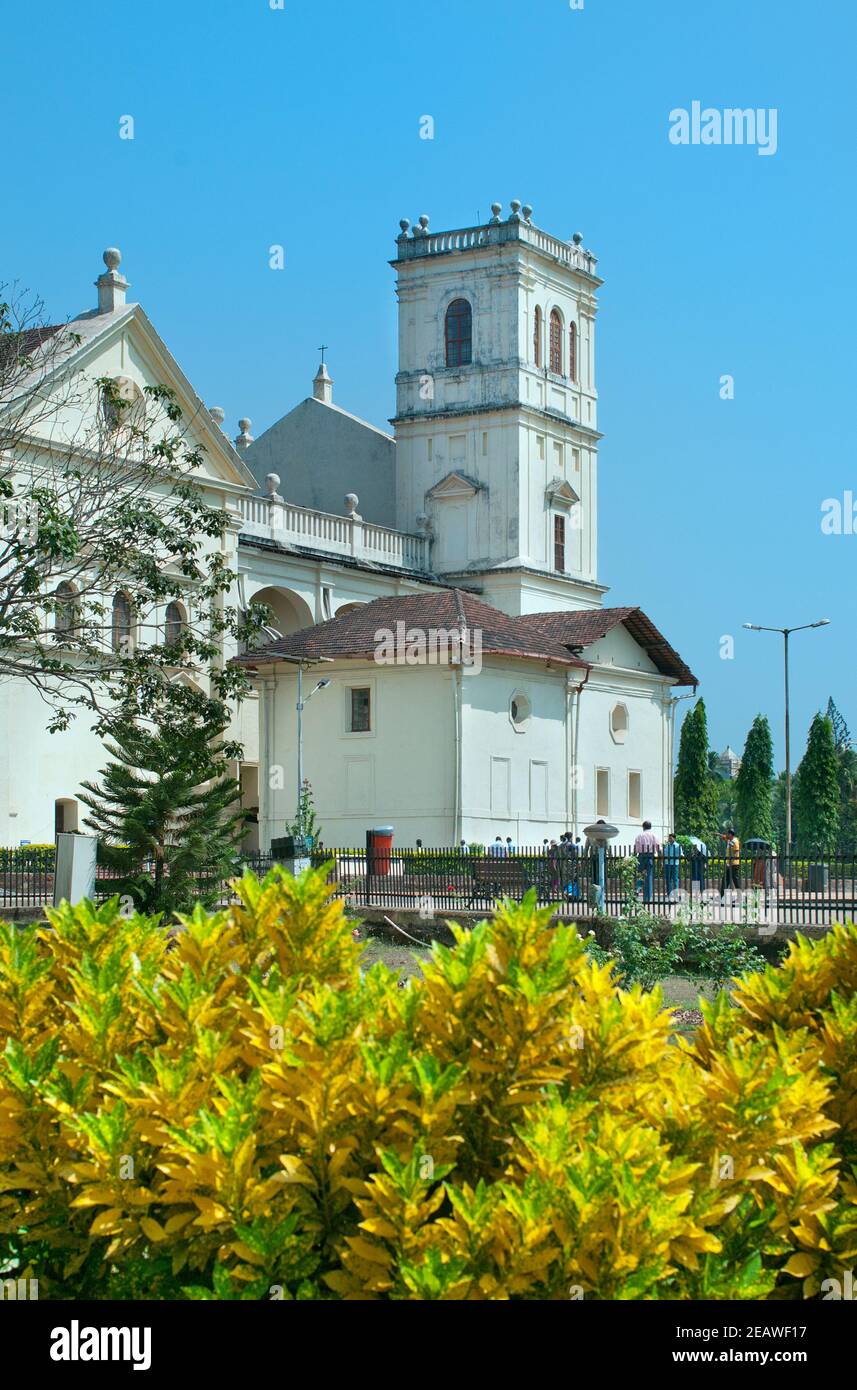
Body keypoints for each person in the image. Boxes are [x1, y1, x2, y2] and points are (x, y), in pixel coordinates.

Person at [633, 820, 660, 904]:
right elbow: (658, 847)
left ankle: (637, 889)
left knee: (640, 874)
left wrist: (634, 858)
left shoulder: (639, 836)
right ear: (650, 827)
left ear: (643, 827)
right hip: (650, 856)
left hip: (641, 856)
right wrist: (660, 859)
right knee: (649, 876)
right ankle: (648, 897)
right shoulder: (654, 835)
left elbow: (635, 848)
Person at [720, 829, 742, 895]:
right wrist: (718, 834)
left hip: (733, 864)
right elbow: (724, 837)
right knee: (726, 879)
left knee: (735, 880)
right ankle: (722, 895)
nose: (727, 835)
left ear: (730, 834)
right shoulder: (730, 840)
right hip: (730, 864)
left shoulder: (735, 841)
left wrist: (730, 863)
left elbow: (736, 852)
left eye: (728, 834)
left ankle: (739, 895)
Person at [663, 833, 683, 898]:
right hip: (667, 864)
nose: (669, 839)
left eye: (670, 838)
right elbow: (665, 854)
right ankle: (669, 893)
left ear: (674, 838)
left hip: (675, 864)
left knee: (675, 879)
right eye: (669, 838)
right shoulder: (667, 846)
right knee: (668, 879)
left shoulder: (678, 845)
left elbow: (681, 854)